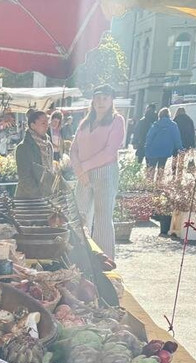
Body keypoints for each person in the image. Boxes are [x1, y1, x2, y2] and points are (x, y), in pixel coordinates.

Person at [70, 84, 125, 259]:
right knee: (79, 214)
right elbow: (73, 149)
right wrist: (79, 170)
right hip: (83, 174)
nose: (101, 102)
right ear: (92, 101)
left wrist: (83, 167)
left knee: (103, 217)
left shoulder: (117, 120)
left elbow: (110, 151)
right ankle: (80, 255)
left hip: (105, 172)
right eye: (98, 98)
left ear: (111, 101)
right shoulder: (84, 122)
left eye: (105, 98)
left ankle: (104, 259)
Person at [14, 110, 57, 199]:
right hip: (28, 199)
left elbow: (50, 170)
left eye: (47, 123)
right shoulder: (23, 147)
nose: (47, 126)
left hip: (47, 197)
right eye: (43, 123)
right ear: (33, 126)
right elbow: (25, 178)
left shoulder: (48, 145)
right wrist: (39, 195)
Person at [143, 108, 182, 184]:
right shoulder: (173, 125)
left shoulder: (156, 124)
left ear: (160, 115)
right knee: (161, 167)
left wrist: (147, 146)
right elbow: (177, 138)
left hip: (153, 149)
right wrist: (180, 148)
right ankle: (158, 183)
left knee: (151, 168)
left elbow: (149, 136)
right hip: (166, 150)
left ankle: (149, 184)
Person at [171, 107, 196, 178]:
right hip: (185, 143)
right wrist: (192, 144)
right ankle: (180, 174)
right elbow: (192, 133)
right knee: (181, 159)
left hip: (176, 143)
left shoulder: (175, 120)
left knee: (174, 158)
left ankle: (173, 174)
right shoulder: (189, 120)